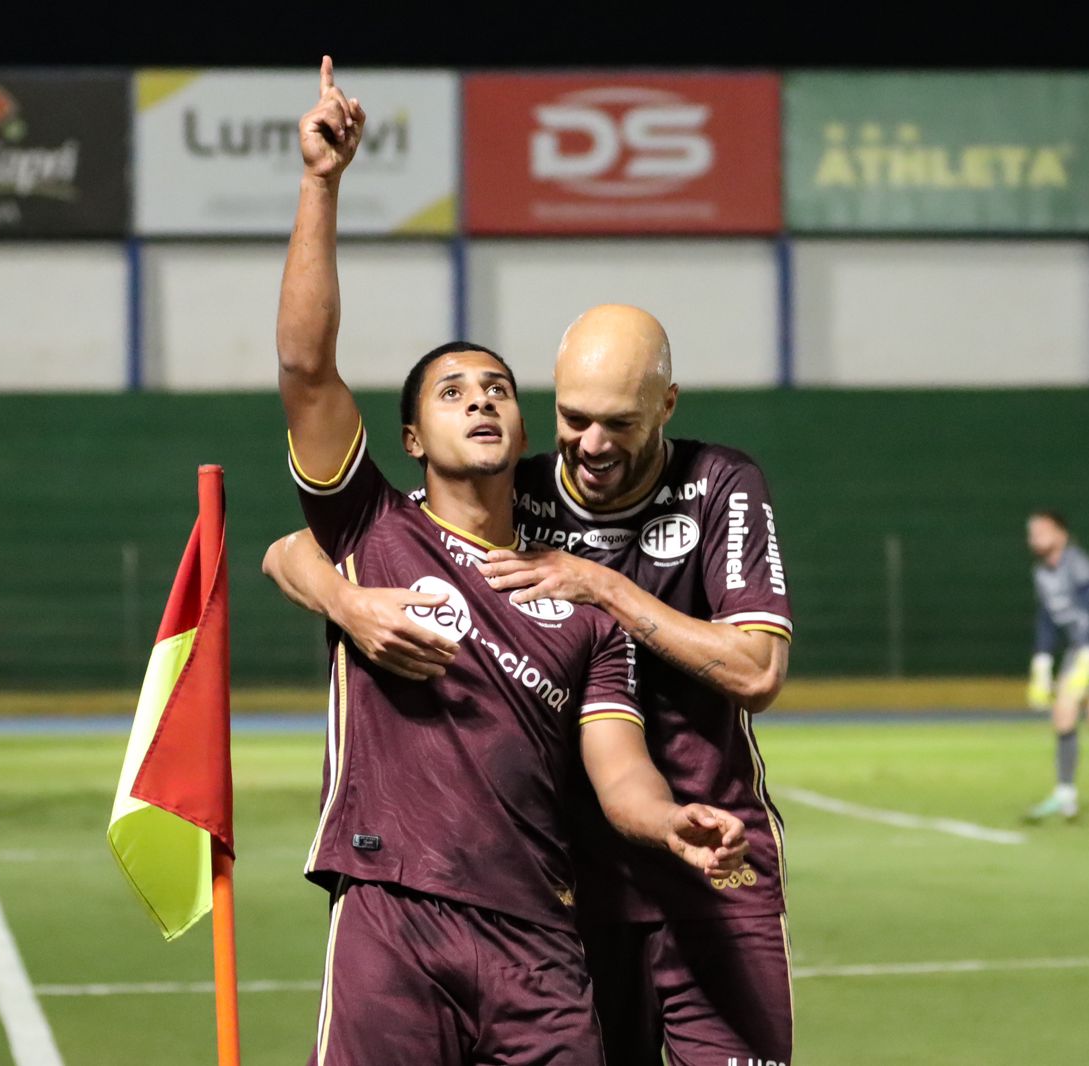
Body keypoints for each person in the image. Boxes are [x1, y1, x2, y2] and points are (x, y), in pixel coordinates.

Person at [272, 58, 748, 1066]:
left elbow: (618, 774)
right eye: (452, 392)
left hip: (539, 945)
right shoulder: (372, 529)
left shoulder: (581, 603)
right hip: (392, 916)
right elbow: (306, 369)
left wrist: (671, 824)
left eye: (496, 386)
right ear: (407, 435)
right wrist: (321, 185)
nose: (482, 399)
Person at [1023, 509, 1089, 821]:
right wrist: (1041, 663)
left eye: (1042, 530)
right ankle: (1065, 794)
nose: (1035, 538)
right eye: (1032, 533)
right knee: (1063, 714)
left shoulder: (1079, 565)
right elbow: (1047, 619)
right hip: (1079, 649)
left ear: (1061, 534)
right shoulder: (1042, 573)